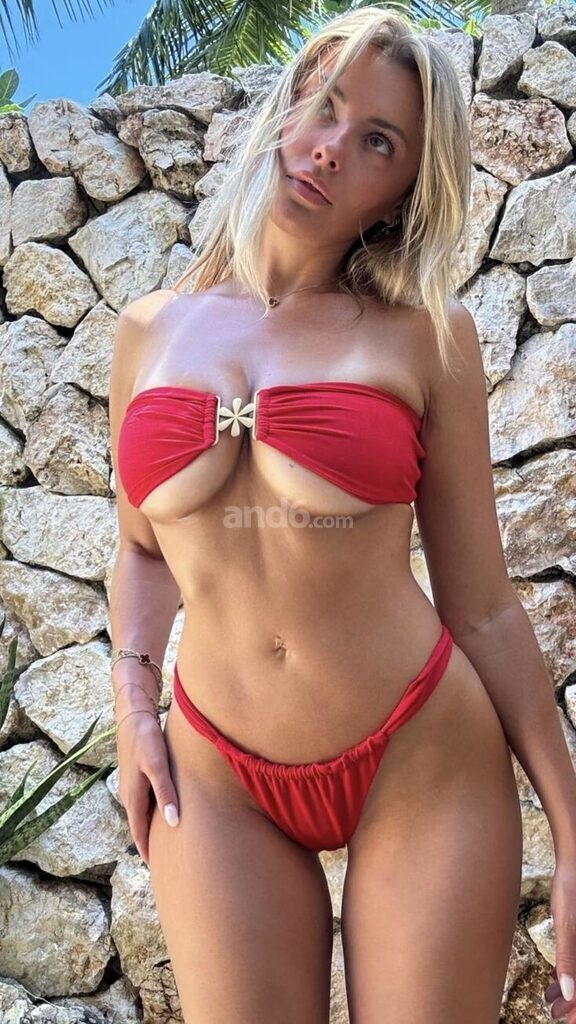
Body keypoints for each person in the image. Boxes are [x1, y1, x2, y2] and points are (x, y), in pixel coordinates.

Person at [107, 7, 575, 1023]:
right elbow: (142, 550)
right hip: (215, 773)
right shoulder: (148, 332)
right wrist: (133, 701)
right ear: (286, 108)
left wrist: (575, 836)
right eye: (324, 106)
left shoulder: (427, 337)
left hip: (420, 754)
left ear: (404, 190)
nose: (330, 147)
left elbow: (484, 606)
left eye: (378, 142)